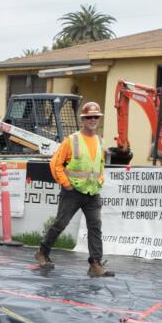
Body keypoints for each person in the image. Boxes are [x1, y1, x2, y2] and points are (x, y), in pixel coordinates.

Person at [36, 100, 114, 277]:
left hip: (92, 193)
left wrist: (100, 180)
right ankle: (42, 252)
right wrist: (66, 184)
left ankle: (95, 263)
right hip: (73, 192)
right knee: (60, 224)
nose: (93, 120)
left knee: (95, 227)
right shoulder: (72, 140)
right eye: (89, 117)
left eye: (96, 117)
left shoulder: (100, 141)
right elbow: (55, 164)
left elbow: (99, 165)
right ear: (83, 120)